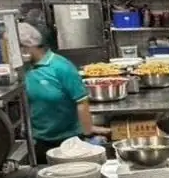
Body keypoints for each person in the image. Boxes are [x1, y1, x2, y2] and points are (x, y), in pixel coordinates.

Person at [18, 23, 106, 162]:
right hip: (38, 140)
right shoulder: (24, 69)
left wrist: (87, 131)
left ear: (28, 46)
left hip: (68, 141)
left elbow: (81, 101)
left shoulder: (61, 67)